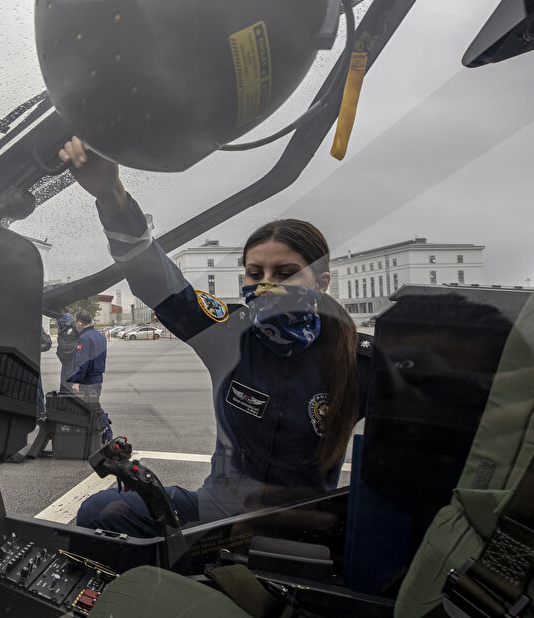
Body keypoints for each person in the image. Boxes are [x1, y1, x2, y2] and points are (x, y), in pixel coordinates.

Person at [60, 137, 370, 537]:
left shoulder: (360, 359)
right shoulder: (229, 333)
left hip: (303, 525)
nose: (267, 285)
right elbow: (158, 282)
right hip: (219, 511)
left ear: (321, 283)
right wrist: (111, 197)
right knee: (103, 510)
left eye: (286, 273)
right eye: (255, 274)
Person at [65, 309, 113, 443]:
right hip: (97, 377)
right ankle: (97, 436)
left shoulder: (84, 338)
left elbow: (82, 362)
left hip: (88, 379)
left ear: (80, 323)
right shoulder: (100, 336)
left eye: (76, 322)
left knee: (93, 407)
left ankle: (107, 431)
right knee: (93, 406)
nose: (76, 324)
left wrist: (76, 381)